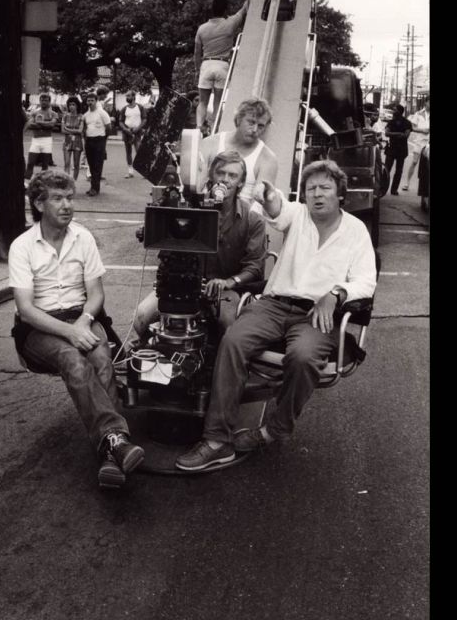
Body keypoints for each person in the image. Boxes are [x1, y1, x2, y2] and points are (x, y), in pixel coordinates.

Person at [176, 160, 378, 471]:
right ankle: (216, 440)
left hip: (317, 313)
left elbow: (366, 280)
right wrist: (269, 195)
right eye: (311, 189)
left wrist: (336, 293)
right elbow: (277, 207)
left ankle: (275, 429)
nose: (317, 194)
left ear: (340, 195)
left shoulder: (356, 230)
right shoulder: (298, 215)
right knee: (233, 341)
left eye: (325, 188)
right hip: (274, 304)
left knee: (303, 357)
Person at [9, 170, 145, 488]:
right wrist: (69, 332)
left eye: (70, 197)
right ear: (39, 204)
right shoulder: (22, 246)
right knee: (73, 358)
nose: (67, 205)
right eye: (58, 198)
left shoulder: (82, 237)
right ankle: (116, 439)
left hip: (79, 316)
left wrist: (83, 321)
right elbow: (26, 310)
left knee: (101, 356)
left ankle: (113, 450)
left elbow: (96, 294)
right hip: (38, 328)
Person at [132, 150, 267, 345]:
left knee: (229, 328)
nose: (225, 180)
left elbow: (255, 266)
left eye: (233, 175)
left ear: (241, 182)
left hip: (225, 289)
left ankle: (217, 372)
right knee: (142, 317)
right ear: (212, 176)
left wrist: (228, 282)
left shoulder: (252, 220)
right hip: (183, 285)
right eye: (221, 173)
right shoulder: (191, 206)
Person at [197, 97, 278, 202]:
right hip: (206, 208)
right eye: (251, 122)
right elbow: (197, 186)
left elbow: (259, 203)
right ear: (239, 119)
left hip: (244, 215)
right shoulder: (211, 143)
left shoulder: (268, 159)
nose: (254, 130)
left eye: (261, 126)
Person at [194, 0, 250, 129]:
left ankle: (198, 128)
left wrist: (197, 70)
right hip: (222, 65)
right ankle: (215, 129)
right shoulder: (230, 23)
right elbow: (244, 9)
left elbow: (197, 53)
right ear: (225, 10)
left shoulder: (201, 28)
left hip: (206, 65)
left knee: (202, 102)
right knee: (218, 103)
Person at [82, 91, 111, 196]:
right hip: (89, 141)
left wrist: (103, 139)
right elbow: (84, 128)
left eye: (92, 100)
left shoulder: (102, 113)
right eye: (88, 100)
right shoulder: (85, 115)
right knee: (91, 164)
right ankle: (92, 187)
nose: (90, 102)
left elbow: (108, 127)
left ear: (96, 101)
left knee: (98, 165)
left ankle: (95, 188)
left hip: (99, 140)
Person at [24, 93, 58, 182]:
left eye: (46, 100)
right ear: (40, 101)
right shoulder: (35, 112)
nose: (43, 102)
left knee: (45, 164)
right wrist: (45, 125)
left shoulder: (53, 113)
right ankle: (26, 183)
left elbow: (52, 124)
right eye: (42, 100)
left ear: (49, 102)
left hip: (47, 140)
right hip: (36, 140)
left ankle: (43, 184)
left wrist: (39, 123)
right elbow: (30, 124)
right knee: (30, 163)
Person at [383, 104, 413, 196]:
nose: (393, 111)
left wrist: (394, 134)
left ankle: (394, 190)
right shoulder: (391, 122)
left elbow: (406, 135)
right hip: (392, 148)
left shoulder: (407, 122)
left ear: (399, 112)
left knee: (398, 171)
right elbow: (387, 133)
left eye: (394, 109)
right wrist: (399, 133)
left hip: (401, 149)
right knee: (387, 169)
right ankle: (383, 188)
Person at [117, 88, 145, 178]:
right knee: (128, 151)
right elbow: (120, 121)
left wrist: (138, 128)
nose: (127, 97)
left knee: (139, 151)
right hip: (127, 132)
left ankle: (144, 171)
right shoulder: (124, 109)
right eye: (126, 96)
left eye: (128, 95)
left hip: (137, 132)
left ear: (133, 96)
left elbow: (144, 119)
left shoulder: (140, 107)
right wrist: (125, 129)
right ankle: (130, 171)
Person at [402, 101, 430, 191]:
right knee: (414, 162)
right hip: (419, 142)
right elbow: (412, 128)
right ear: (426, 103)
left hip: (429, 142)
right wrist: (423, 131)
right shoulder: (418, 114)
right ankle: (407, 183)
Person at [60, 96, 84, 181]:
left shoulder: (81, 117)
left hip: (77, 142)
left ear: (77, 105)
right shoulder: (65, 116)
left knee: (76, 164)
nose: (71, 106)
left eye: (73, 104)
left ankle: (74, 182)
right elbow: (62, 130)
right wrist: (74, 130)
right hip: (67, 142)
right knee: (66, 163)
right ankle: (67, 182)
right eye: (70, 105)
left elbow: (80, 131)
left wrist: (68, 129)